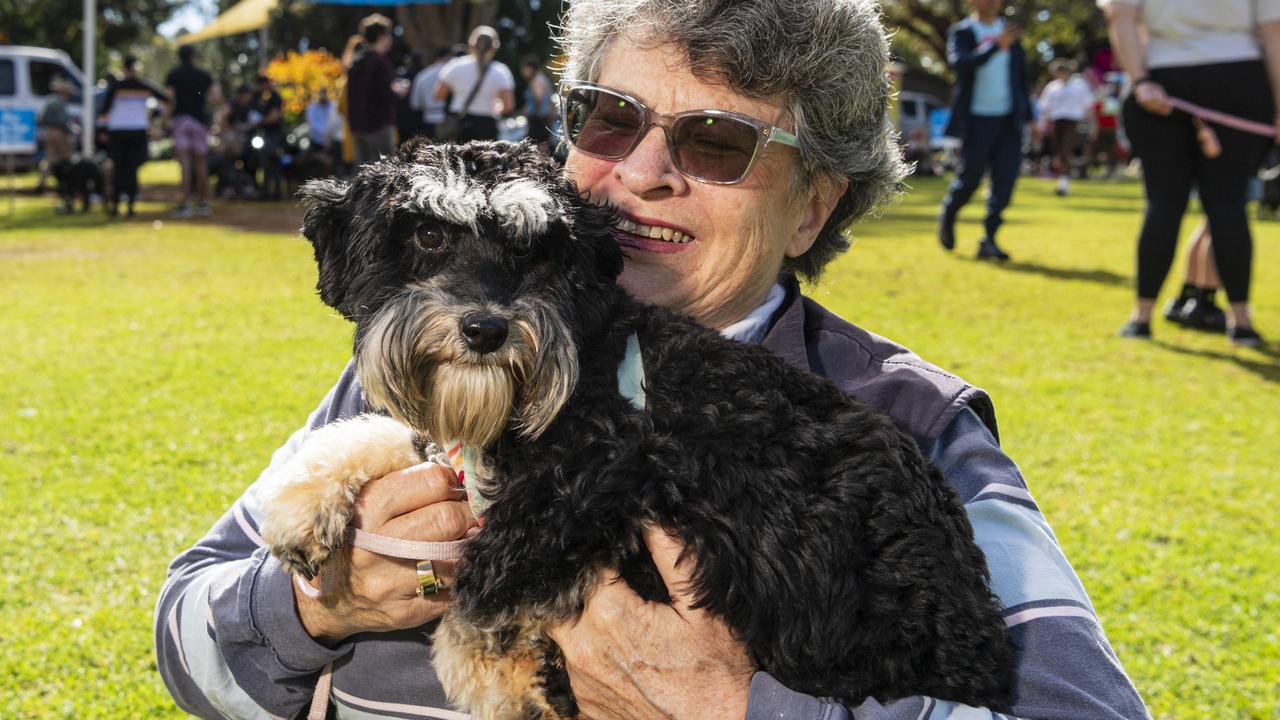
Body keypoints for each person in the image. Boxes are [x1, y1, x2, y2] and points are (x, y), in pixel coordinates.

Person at [155, 1, 1149, 719]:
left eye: (717, 141)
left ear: (813, 206)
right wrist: (314, 603)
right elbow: (186, 651)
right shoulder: (442, 348)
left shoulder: (902, 423)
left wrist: (737, 707)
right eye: (609, 117)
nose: (638, 175)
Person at [1106, 0, 1278, 347]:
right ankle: (1240, 321)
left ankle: (1141, 317)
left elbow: (1120, 17)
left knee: (1164, 204)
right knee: (1228, 205)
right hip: (1240, 80)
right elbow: (1273, 32)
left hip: (1163, 79)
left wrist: (1139, 79)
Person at [937, 0, 1033, 261]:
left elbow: (1021, 75)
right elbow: (961, 64)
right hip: (977, 120)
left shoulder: (1010, 31)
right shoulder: (963, 32)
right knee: (970, 179)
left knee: (1005, 182)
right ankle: (949, 212)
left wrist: (1029, 114)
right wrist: (994, 47)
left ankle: (989, 239)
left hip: (1008, 121)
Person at [99, 55, 167, 218]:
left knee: (119, 169)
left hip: (118, 132)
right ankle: (130, 204)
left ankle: (116, 205)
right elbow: (166, 101)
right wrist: (155, 118)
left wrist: (101, 130)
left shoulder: (116, 86)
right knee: (131, 169)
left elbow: (105, 110)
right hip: (137, 131)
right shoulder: (143, 86)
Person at [434, 26, 515, 142]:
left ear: (471, 44)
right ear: (494, 47)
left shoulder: (455, 66)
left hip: (460, 124)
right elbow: (508, 106)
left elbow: (438, 95)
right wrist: (496, 108)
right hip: (487, 125)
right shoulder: (501, 71)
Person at [165, 44, 219, 218]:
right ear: (194, 56)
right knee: (201, 163)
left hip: (181, 120)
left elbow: (168, 98)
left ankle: (185, 203)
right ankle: (203, 203)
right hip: (199, 121)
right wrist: (206, 106)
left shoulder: (173, 75)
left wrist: (165, 120)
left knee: (185, 164)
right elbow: (216, 96)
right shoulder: (204, 74)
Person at [346, 14, 399, 165]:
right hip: (379, 126)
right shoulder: (380, 62)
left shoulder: (355, 62)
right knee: (384, 174)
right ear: (381, 36)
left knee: (364, 176)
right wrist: (397, 92)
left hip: (357, 127)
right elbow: (385, 95)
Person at [1038, 59, 1095, 196]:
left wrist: (1092, 124)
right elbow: (1044, 108)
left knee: (1066, 150)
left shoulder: (1079, 86)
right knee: (1059, 152)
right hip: (1057, 121)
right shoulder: (1052, 87)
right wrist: (1041, 126)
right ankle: (1063, 180)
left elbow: (1088, 106)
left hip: (1073, 122)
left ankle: (1064, 183)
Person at [36, 76, 76, 199]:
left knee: (49, 159)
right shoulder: (61, 104)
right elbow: (64, 121)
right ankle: (66, 184)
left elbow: (41, 119)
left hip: (49, 132)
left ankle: (42, 182)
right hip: (60, 133)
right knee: (67, 158)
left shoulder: (49, 101)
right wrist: (72, 131)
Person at [252, 74, 285, 201]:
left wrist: (259, 122)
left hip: (273, 135)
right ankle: (266, 192)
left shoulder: (274, 96)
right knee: (264, 164)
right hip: (265, 135)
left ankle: (276, 192)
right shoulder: (259, 97)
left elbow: (274, 117)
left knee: (272, 163)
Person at [409, 47, 451, 141]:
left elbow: (415, 104)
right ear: (448, 57)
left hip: (428, 119)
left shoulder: (422, 75)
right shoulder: (451, 74)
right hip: (448, 121)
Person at [519, 54, 556, 152]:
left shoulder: (536, 81)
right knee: (542, 147)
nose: (522, 71)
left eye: (524, 68)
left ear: (531, 68)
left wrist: (536, 116)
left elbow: (538, 99)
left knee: (538, 148)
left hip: (538, 120)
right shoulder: (542, 79)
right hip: (542, 119)